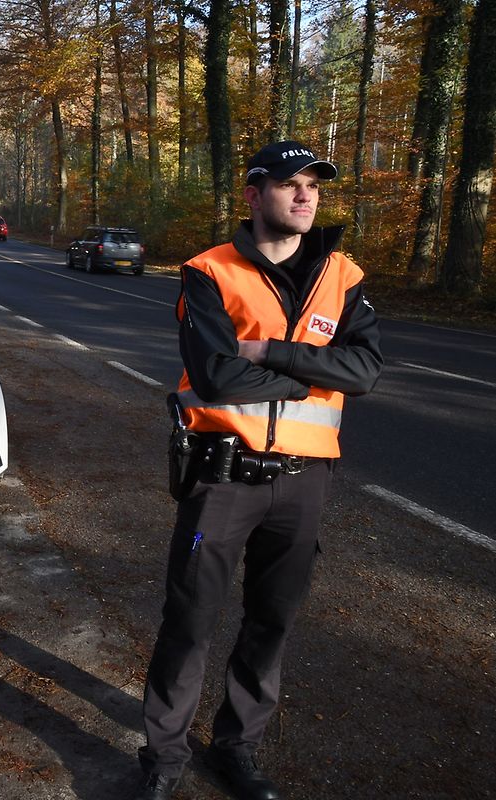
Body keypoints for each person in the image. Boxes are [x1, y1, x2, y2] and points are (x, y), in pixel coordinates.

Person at [135, 141, 383, 800]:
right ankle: (161, 759)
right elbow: (215, 376)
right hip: (221, 475)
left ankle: (235, 749)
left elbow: (365, 371)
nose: (305, 197)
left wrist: (269, 351)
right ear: (253, 194)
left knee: (270, 620)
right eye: (288, 184)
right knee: (189, 620)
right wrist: (311, 376)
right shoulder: (208, 271)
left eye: (314, 187)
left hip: (304, 483)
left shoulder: (343, 275)